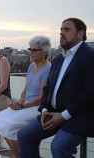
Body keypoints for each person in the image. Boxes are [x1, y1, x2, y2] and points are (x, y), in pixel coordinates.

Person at [17, 18, 94, 158]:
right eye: (61, 30)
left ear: (80, 33)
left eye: (67, 29)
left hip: (79, 116)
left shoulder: (90, 56)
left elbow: (89, 94)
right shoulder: (58, 59)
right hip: (52, 114)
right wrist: (45, 109)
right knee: (24, 135)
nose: (61, 33)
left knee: (58, 147)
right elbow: (48, 89)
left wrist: (63, 115)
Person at [0, 36, 51, 158]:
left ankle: (19, 155)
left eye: (35, 50)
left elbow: (41, 97)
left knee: (10, 123)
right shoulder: (31, 66)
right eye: (30, 49)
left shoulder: (48, 68)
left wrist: (23, 105)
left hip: (37, 107)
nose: (31, 52)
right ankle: (17, 154)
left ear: (44, 52)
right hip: (25, 104)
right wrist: (19, 101)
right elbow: (26, 88)